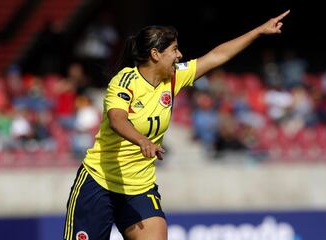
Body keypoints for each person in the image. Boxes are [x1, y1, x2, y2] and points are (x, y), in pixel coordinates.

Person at [63, 10, 290, 240]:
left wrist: (259, 31)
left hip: (139, 189)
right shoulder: (124, 81)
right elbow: (117, 119)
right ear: (155, 54)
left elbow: (217, 56)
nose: (180, 55)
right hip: (99, 184)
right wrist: (142, 140)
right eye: (174, 50)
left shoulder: (173, 78)